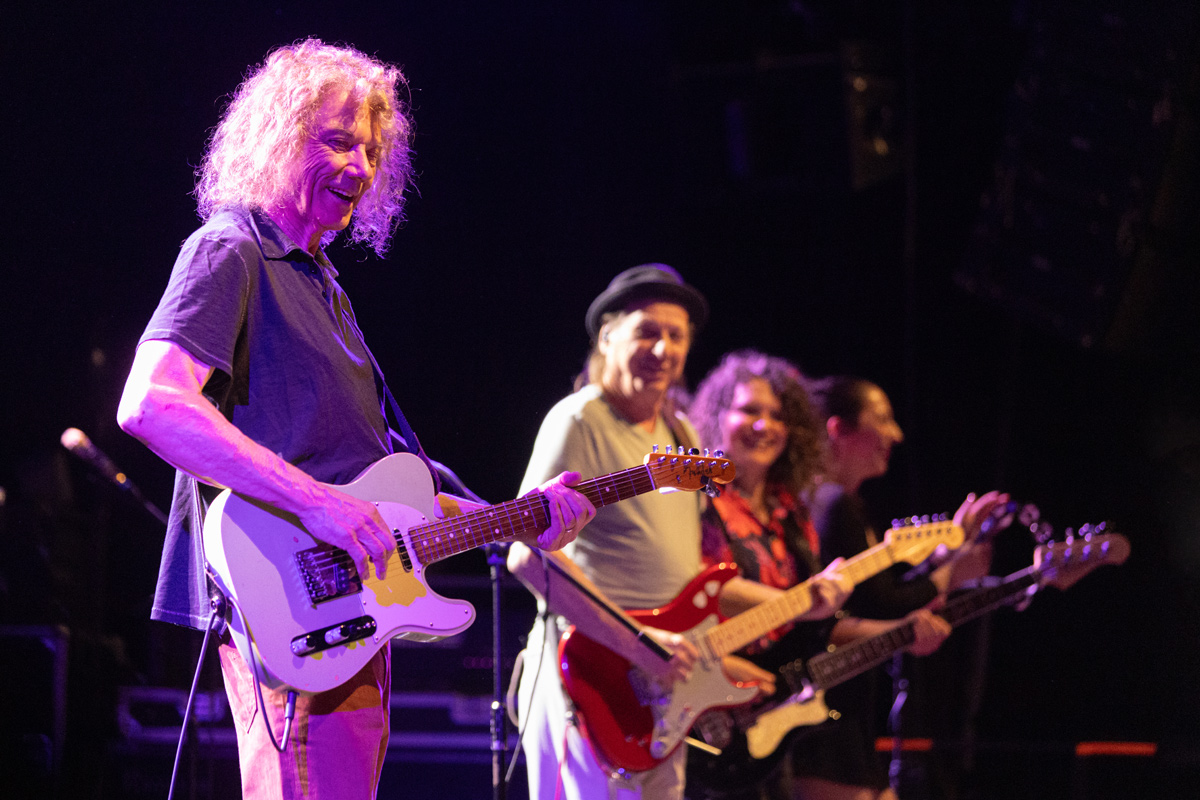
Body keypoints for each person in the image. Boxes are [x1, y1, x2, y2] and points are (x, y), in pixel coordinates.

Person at [116, 39, 595, 800]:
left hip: (349, 607)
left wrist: (518, 519)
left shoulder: (322, 286)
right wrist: (320, 506)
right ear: (277, 137)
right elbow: (152, 404)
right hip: (290, 604)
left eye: (372, 151)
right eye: (338, 141)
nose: (361, 167)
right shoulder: (230, 248)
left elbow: (388, 500)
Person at [506, 267, 853, 800]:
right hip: (589, 676)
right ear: (607, 337)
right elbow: (528, 556)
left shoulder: (681, 434)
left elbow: (695, 581)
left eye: (676, 335)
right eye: (647, 331)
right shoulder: (577, 420)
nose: (662, 349)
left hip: (661, 689)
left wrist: (803, 602)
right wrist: (640, 643)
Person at [685, 351, 953, 800]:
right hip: (706, 699)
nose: (765, 425)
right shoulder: (696, 502)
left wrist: (900, 632)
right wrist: (789, 610)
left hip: (771, 718)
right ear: (716, 417)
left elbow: (816, 624)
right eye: (749, 410)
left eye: (777, 416)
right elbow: (694, 592)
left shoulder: (791, 513)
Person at [789, 375, 1007, 800]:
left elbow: (873, 599)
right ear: (839, 430)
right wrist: (949, 573)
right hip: (825, 717)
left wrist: (942, 560)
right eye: (883, 419)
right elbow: (884, 606)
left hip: (841, 711)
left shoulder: (825, 501)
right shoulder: (835, 504)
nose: (896, 434)